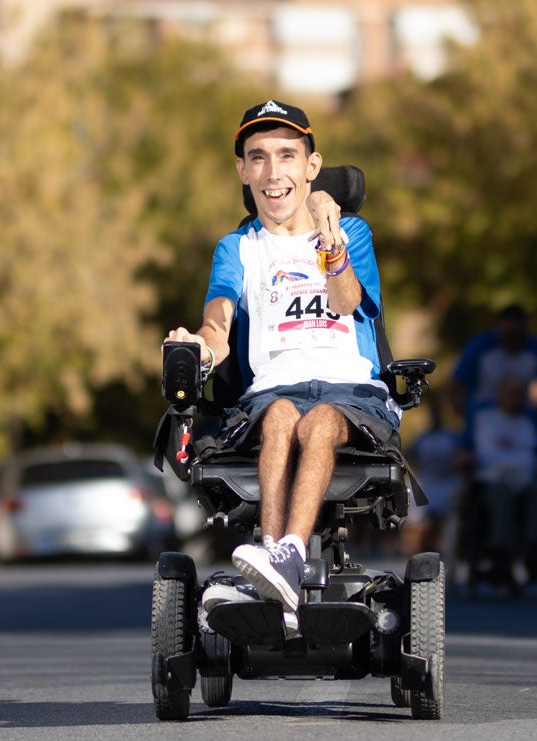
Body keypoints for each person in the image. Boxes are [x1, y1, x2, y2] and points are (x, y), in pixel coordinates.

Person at [165, 99, 399, 620]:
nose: (274, 172)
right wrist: (198, 345)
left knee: (317, 420)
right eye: (259, 157)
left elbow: (343, 302)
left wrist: (330, 239)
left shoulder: (352, 233)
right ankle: (275, 567)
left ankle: (286, 557)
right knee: (278, 416)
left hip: (351, 392)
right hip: (272, 392)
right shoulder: (238, 247)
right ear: (243, 170)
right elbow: (219, 322)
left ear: (310, 168)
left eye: (287, 156)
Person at [467, 374, 537, 594]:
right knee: (501, 495)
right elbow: (465, 450)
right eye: (512, 394)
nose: (517, 400)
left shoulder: (529, 422)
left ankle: (533, 552)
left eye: (520, 395)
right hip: (492, 482)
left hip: (526, 482)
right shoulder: (484, 418)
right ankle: (501, 556)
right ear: (500, 396)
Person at [450, 303, 537, 422]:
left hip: (521, 413)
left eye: (517, 336)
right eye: (508, 335)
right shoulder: (480, 348)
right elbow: (454, 385)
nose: (512, 342)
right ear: (498, 329)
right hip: (484, 412)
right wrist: (467, 417)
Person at [400, 396, 463, 557]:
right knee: (415, 510)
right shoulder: (422, 438)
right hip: (425, 480)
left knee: (448, 516)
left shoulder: (451, 437)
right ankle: (413, 552)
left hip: (446, 482)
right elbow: (407, 456)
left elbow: (459, 460)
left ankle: (445, 549)